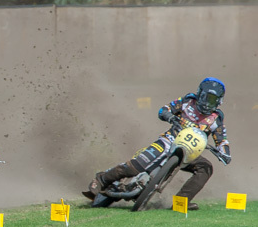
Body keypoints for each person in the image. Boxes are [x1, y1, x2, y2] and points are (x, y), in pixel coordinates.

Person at [86, 77, 231, 210]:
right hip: (168, 141)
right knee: (136, 167)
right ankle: (101, 179)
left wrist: (225, 153)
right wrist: (169, 117)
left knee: (206, 168)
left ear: (219, 101)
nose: (207, 103)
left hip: (191, 153)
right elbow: (164, 109)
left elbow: (222, 139)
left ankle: (181, 202)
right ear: (199, 94)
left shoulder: (216, 119)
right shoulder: (187, 102)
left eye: (212, 100)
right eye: (205, 98)